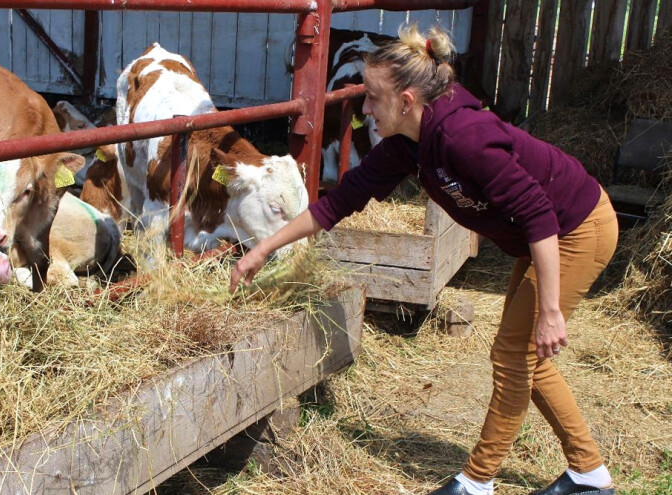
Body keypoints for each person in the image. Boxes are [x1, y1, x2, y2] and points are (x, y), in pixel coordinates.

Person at [229, 24, 618, 495]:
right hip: (545, 234)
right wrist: (264, 248)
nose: (364, 109)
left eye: (371, 98)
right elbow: (339, 201)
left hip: (576, 227)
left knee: (514, 355)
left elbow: (538, 214)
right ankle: (589, 474)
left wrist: (552, 311)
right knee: (522, 358)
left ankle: (477, 481)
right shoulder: (407, 145)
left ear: (407, 101)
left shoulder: (464, 137)